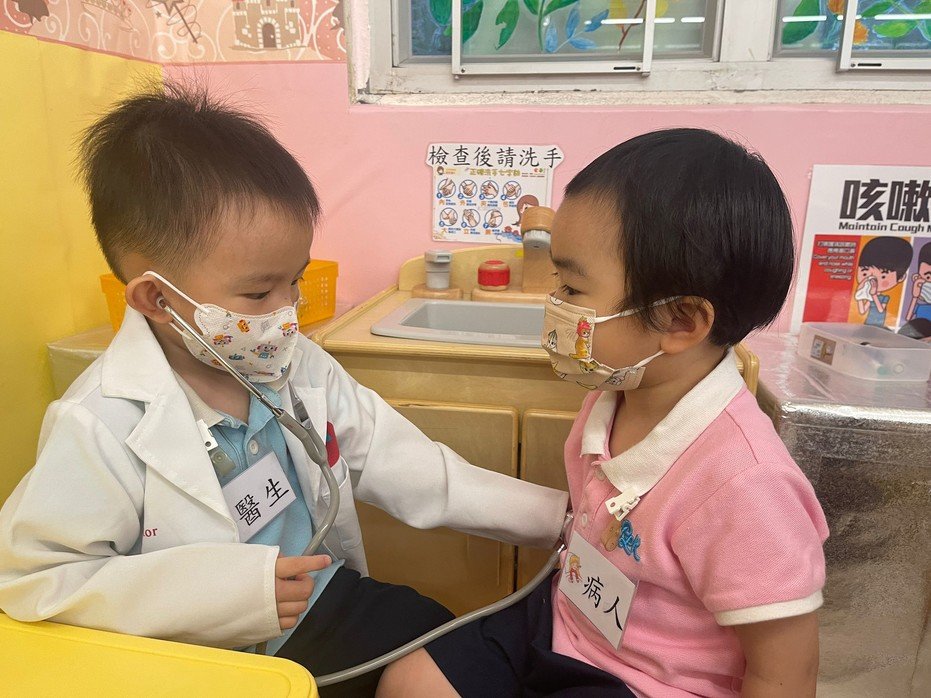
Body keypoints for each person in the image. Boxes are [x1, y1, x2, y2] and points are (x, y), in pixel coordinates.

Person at [0, 84, 569, 697]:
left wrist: (561, 517)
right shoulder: (99, 420)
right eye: (258, 293)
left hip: (323, 601)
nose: (288, 311)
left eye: (294, 281)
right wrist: (225, 591)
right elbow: (33, 580)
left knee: (454, 651)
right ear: (157, 298)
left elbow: (408, 465)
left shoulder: (297, 367)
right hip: (207, 650)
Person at [378, 129, 829, 698]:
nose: (553, 304)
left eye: (571, 287)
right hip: (563, 623)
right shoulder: (613, 393)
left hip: (642, 682)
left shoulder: (746, 483)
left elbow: (786, 670)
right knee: (412, 680)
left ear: (681, 321)